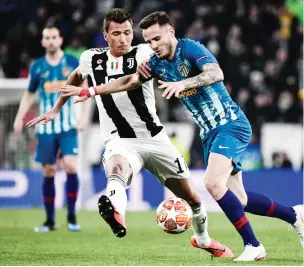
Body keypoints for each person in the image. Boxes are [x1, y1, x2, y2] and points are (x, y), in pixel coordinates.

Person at [59, 11, 304, 261]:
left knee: (212, 184)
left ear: (171, 32)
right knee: (239, 198)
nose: (154, 45)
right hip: (209, 132)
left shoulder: (190, 49)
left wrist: (183, 84)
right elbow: (130, 82)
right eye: (149, 41)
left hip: (230, 124)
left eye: (157, 38)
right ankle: (295, 216)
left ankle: (253, 245)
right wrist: (92, 90)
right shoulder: (155, 63)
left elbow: (215, 73)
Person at [26, 9, 233, 258]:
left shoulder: (143, 53)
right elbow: (77, 76)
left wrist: (89, 92)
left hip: (154, 139)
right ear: (105, 35)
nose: (123, 39)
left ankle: (203, 239)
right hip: (119, 140)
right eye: (116, 34)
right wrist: (56, 109)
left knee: (193, 198)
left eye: (127, 33)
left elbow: (128, 81)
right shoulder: (90, 58)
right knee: (116, 170)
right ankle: (116, 214)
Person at [14, 23, 89, 232]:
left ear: (60, 40)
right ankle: (49, 221)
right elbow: (29, 94)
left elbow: (85, 90)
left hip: (68, 126)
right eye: (47, 38)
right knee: (48, 171)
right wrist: (19, 117)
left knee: (71, 166)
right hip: (46, 128)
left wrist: (83, 116)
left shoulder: (72, 62)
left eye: (54, 37)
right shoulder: (37, 66)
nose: (51, 41)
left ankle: (72, 217)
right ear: (42, 41)